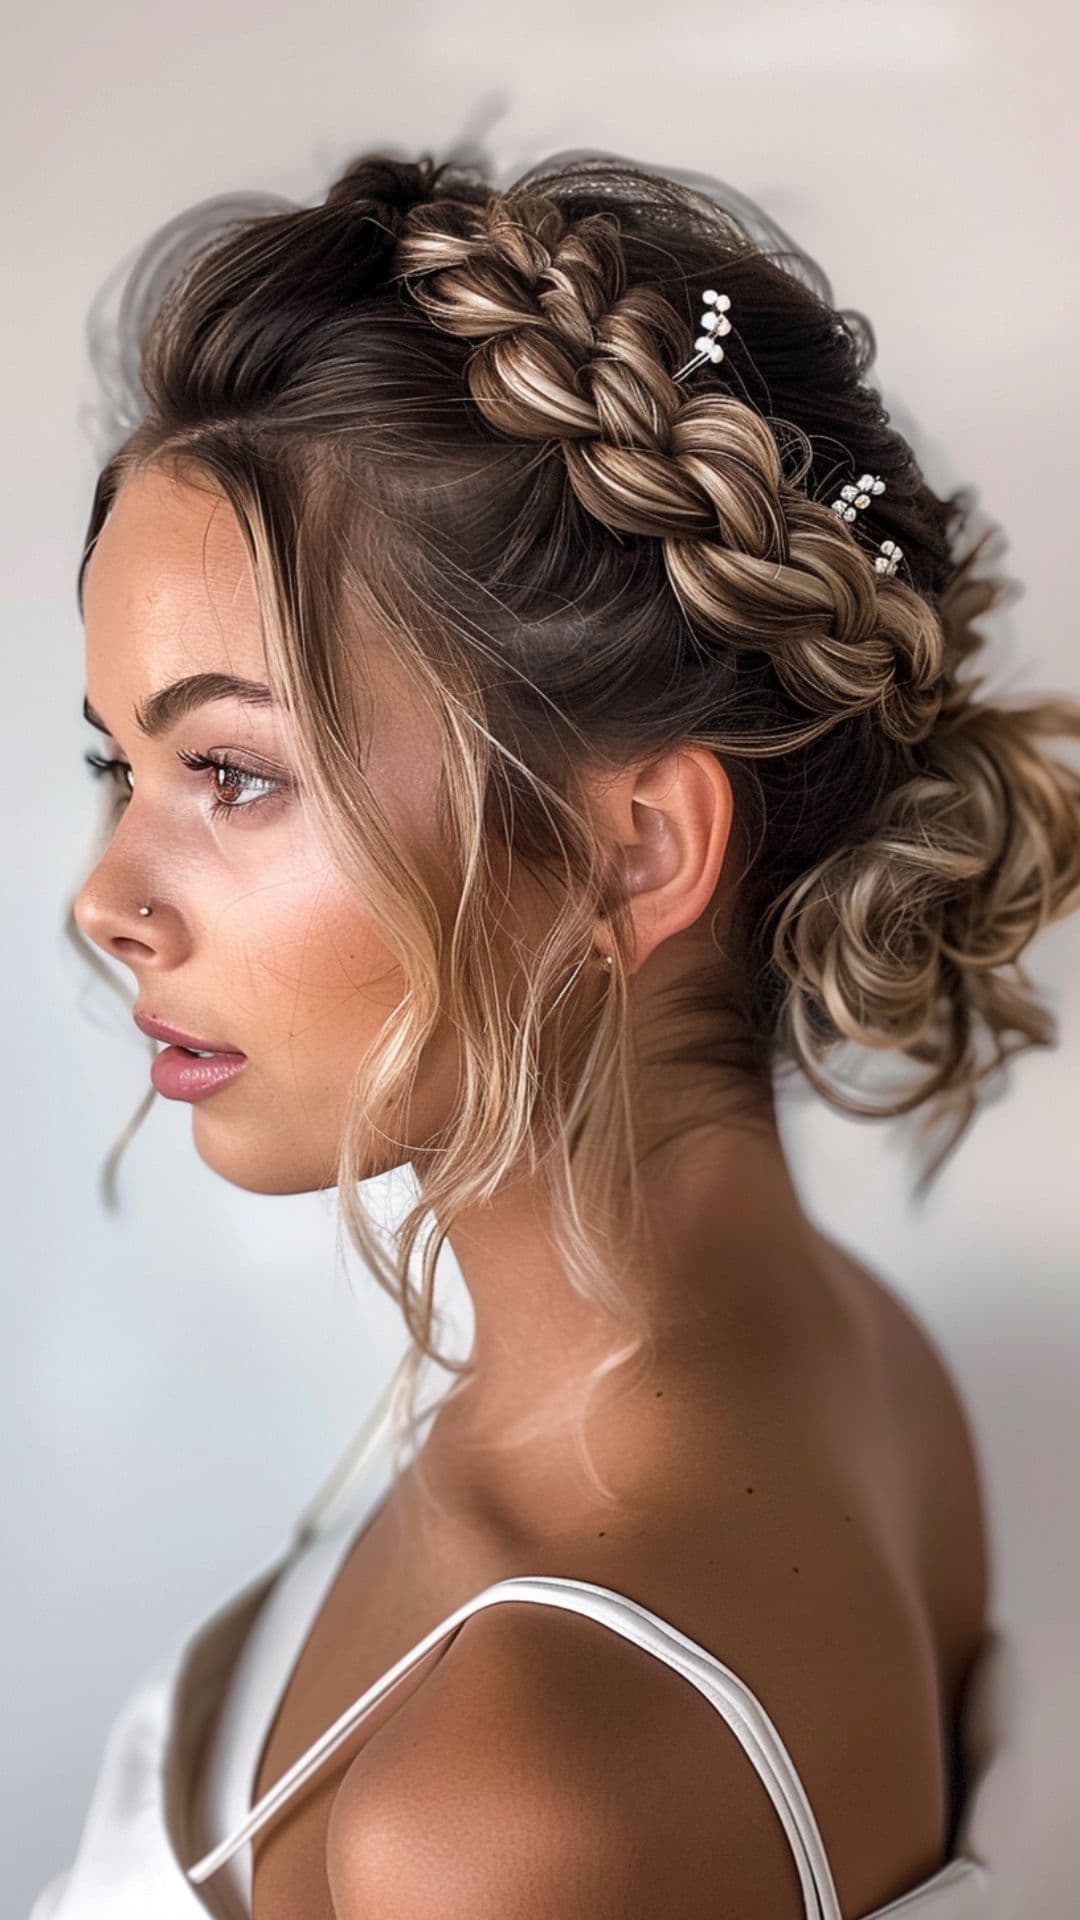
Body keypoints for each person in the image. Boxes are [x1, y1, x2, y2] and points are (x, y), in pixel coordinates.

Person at [37, 144, 1066, 1919]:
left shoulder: (509, 1820)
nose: (102, 896)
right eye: (115, 767)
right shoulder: (856, 1364)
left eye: (231, 774)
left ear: (633, 849)